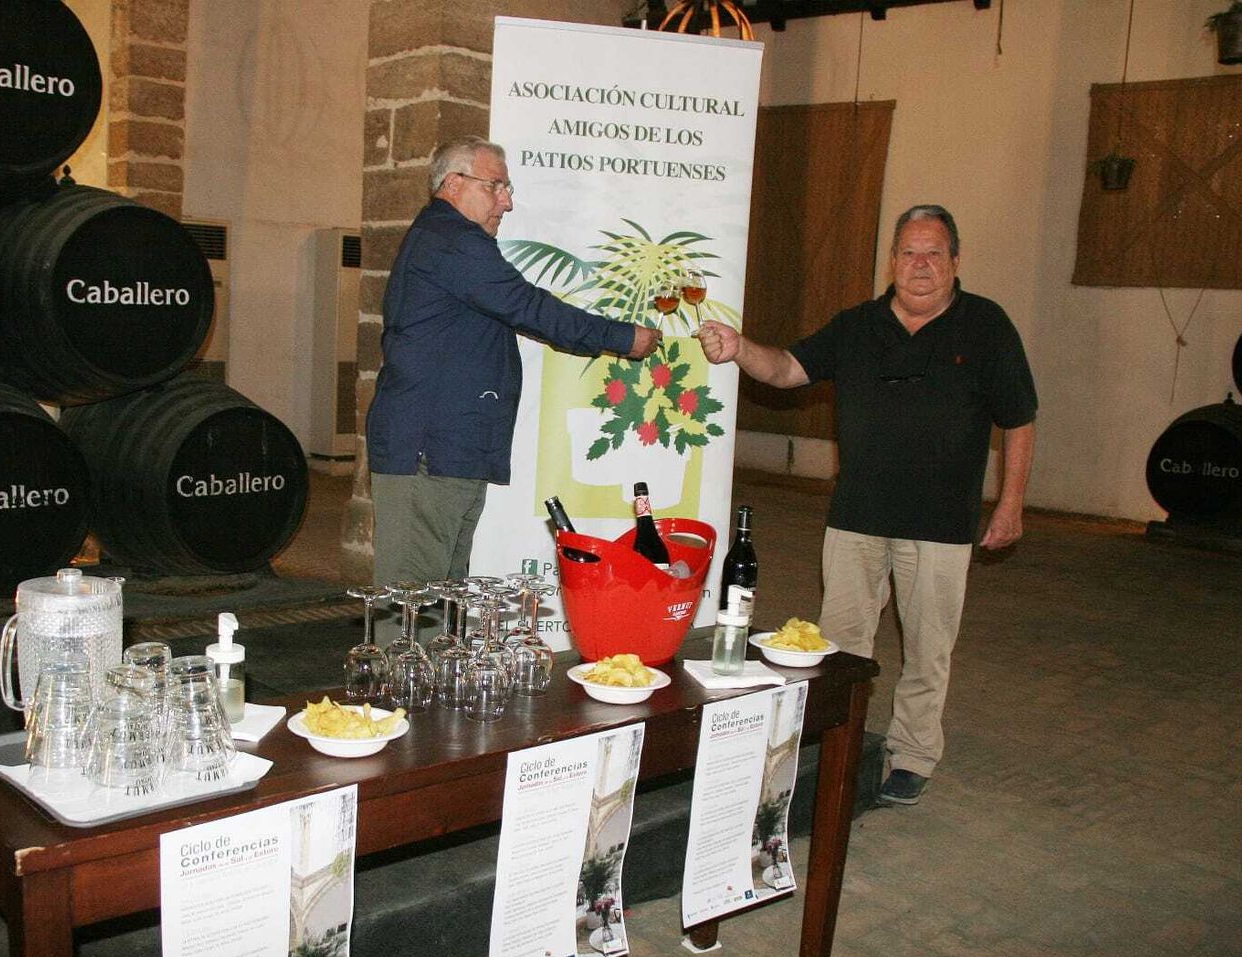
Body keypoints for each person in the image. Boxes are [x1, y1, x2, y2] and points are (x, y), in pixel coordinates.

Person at [698, 204, 1037, 806]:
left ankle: (912, 755)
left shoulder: (987, 326)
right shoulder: (858, 325)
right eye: (909, 252)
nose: (921, 264)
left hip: (941, 525)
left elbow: (1019, 419)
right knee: (839, 647)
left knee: (928, 650)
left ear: (955, 261)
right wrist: (739, 347)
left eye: (934, 253)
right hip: (857, 517)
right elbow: (786, 369)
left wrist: (1010, 504)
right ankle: (834, 751)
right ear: (893, 262)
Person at [367, 136, 661, 584]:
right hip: (430, 450)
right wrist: (623, 337)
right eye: (496, 186)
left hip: (449, 449)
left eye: (507, 188)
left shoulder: (447, 239)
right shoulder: (451, 240)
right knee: (412, 599)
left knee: (441, 595)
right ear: (453, 183)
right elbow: (528, 307)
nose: (506, 202)